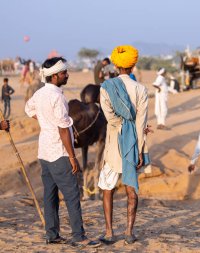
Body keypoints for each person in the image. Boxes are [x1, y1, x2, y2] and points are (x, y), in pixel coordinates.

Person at [25, 57, 100, 248]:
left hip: (44, 152)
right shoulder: (57, 97)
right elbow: (63, 129)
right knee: (72, 196)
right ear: (56, 76)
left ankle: (52, 235)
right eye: (64, 72)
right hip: (59, 152)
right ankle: (79, 236)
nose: (67, 75)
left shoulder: (40, 93)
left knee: (50, 196)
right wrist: (73, 157)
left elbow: (28, 109)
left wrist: (44, 120)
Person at [97, 45, 150, 245]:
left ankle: (109, 232)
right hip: (133, 145)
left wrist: (120, 125)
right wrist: (140, 149)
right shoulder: (141, 89)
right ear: (133, 64)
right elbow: (141, 123)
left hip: (113, 144)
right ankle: (129, 232)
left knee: (107, 188)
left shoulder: (106, 87)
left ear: (116, 65)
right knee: (131, 189)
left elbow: (109, 116)